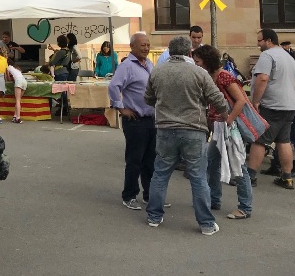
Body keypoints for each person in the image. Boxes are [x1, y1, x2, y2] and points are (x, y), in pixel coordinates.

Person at [144, 36, 228, 235]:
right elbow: (217, 99)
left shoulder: (158, 71)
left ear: (170, 51)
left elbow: (148, 98)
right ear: (189, 52)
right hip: (193, 129)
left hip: (165, 128)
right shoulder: (199, 73)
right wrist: (224, 114)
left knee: (161, 173)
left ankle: (154, 216)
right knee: (198, 176)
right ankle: (206, 223)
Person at [192, 44, 253, 221]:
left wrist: (229, 118)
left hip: (229, 127)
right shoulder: (211, 75)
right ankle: (214, 199)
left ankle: (245, 207)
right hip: (220, 128)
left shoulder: (224, 76)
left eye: (197, 61)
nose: (196, 64)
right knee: (212, 162)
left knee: (238, 165)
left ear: (206, 60)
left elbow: (241, 100)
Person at [108, 32, 157, 211]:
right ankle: (129, 195)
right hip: (135, 120)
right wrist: (121, 108)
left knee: (150, 160)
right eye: (142, 45)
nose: (146, 48)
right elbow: (114, 86)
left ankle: (149, 194)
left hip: (151, 119)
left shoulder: (149, 64)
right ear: (132, 47)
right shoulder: (127, 66)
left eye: (147, 44)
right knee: (135, 160)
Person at [246, 28, 295, 189]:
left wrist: (256, 101)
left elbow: (262, 78)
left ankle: (250, 176)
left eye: (259, 41)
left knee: (260, 140)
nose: (258, 44)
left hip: (272, 105)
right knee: (284, 141)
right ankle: (287, 177)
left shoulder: (267, 55)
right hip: (289, 104)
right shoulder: (288, 56)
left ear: (268, 40)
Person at [47, 35, 71, 116]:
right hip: (65, 71)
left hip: (59, 72)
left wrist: (49, 62)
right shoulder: (68, 51)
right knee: (64, 90)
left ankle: (63, 107)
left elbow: (52, 62)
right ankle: (65, 108)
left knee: (60, 91)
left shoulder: (60, 52)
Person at [6, 57, 26, 123]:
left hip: (18, 81)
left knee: (17, 100)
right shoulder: (15, 68)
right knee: (19, 100)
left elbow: (8, 78)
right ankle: (15, 116)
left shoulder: (8, 68)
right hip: (24, 81)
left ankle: (18, 118)